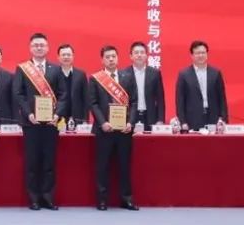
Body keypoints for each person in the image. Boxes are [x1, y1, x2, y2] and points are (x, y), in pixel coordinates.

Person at [13, 33, 68, 210]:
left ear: (47, 48)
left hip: (51, 124)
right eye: (36, 45)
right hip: (31, 123)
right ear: (30, 48)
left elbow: (63, 95)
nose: (39, 48)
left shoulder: (56, 69)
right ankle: (34, 198)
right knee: (32, 162)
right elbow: (18, 94)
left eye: (42, 45)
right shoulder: (23, 69)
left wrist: (57, 115)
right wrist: (28, 113)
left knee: (49, 162)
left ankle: (48, 197)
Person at [87, 46, 139, 211]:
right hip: (104, 130)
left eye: (113, 56)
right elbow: (93, 103)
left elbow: (134, 102)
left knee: (124, 166)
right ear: (102, 59)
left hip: (124, 130)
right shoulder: (96, 79)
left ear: (118, 58)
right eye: (107, 57)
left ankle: (127, 199)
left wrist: (131, 122)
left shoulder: (128, 77)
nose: (111, 59)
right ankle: (102, 200)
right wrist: (102, 122)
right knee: (103, 166)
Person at [176, 40, 228, 131]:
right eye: (197, 53)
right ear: (192, 55)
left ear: (207, 54)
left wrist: (223, 119)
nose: (201, 55)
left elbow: (222, 99)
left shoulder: (215, 73)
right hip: (192, 119)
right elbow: (180, 101)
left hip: (213, 119)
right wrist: (183, 122)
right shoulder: (184, 75)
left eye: (203, 53)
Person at [122, 42, 165, 126]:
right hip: (130, 117)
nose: (139, 55)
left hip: (150, 116)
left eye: (142, 52)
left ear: (146, 55)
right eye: (136, 53)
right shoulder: (124, 74)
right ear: (131, 56)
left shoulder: (155, 73)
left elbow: (160, 98)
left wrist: (160, 119)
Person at [57, 44, 89, 123]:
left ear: (73, 56)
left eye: (68, 55)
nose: (66, 57)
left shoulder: (81, 75)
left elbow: (86, 99)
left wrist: (85, 119)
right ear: (58, 57)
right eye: (63, 55)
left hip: (77, 117)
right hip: (57, 117)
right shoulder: (53, 73)